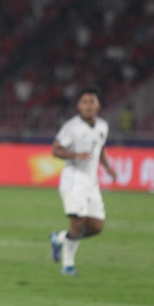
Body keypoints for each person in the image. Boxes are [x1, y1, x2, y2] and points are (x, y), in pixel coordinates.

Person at [50, 86, 117, 276]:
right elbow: (56, 150)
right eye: (85, 102)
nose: (88, 106)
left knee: (96, 226)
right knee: (78, 221)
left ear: (98, 105)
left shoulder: (103, 126)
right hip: (73, 181)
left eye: (92, 102)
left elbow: (100, 149)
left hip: (91, 183)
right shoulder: (71, 127)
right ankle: (68, 266)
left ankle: (59, 238)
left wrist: (109, 168)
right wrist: (75, 154)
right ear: (79, 106)